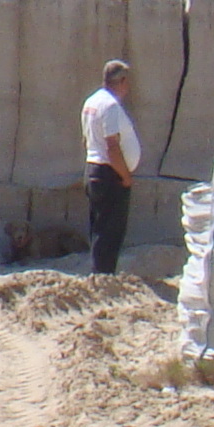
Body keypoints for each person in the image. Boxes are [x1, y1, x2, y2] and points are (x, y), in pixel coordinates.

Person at [82, 58, 141, 275]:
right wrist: (125, 176)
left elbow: (86, 139)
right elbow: (112, 147)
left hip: (94, 169)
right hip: (109, 174)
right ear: (122, 80)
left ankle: (99, 273)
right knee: (110, 231)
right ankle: (103, 277)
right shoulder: (111, 106)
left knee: (99, 228)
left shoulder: (92, 102)